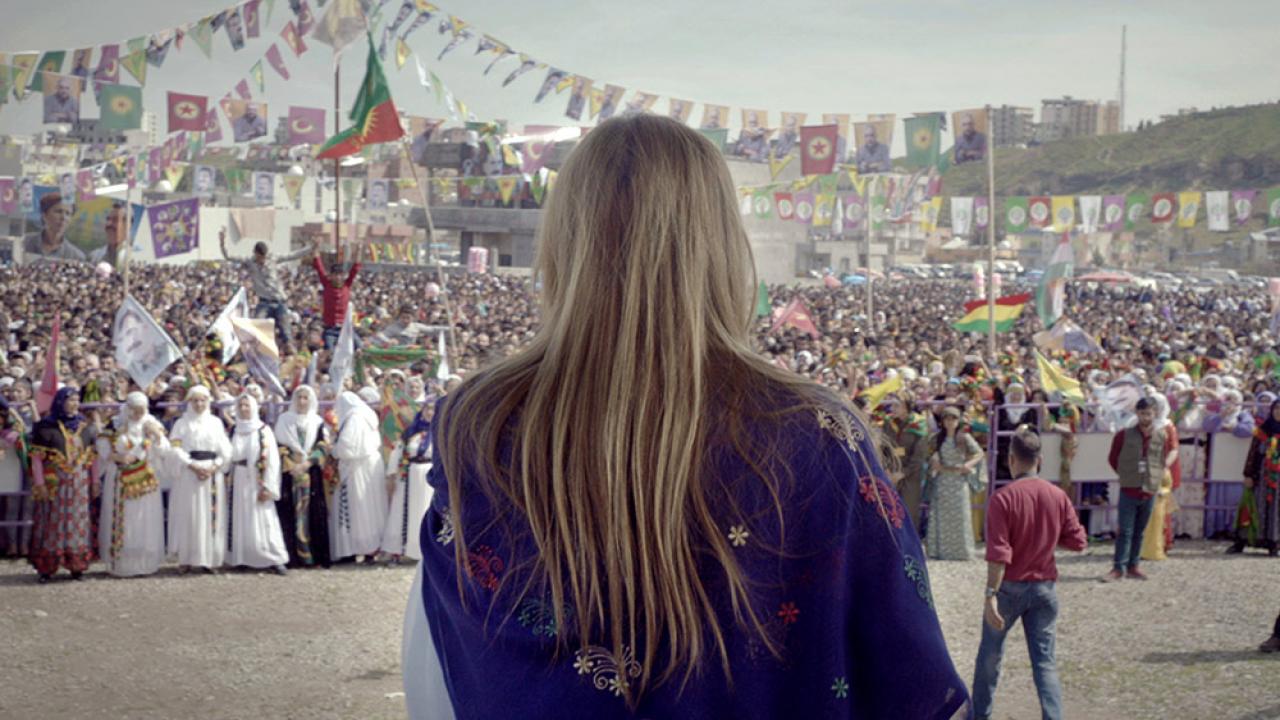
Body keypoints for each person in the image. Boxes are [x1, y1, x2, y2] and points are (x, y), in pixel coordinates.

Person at [403, 115, 970, 718]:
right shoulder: (818, 435)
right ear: (721, 243)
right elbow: (908, 676)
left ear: (564, 241)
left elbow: (442, 666)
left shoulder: (481, 425)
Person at [972, 428, 1087, 720]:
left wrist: (989, 596)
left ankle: (980, 715)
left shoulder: (1002, 498)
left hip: (1009, 588)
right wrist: (1045, 536)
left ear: (1011, 459)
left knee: (990, 656)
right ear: (1041, 459)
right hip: (1044, 588)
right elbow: (1078, 542)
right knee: (1045, 662)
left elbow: (999, 555)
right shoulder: (1057, 495)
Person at [28, 387, 97, 582]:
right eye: (70, 400)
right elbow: (36, 458)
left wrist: (95, 481)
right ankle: (47, 568)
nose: (75, 404)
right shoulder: (46, 427)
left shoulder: (86, 427)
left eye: (77, 400)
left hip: (79, 484)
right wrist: (40, 483)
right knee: (52, 523)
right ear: (60, 402)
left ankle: (77, 566)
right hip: (55, 483)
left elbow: (93, 458)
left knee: (78, 523)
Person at [96, 392, 167, 577]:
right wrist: (118, 457)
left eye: (141, 409)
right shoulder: (115, 424)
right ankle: (121, 562)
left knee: (145, 518)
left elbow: (164, 449)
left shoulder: (152, 424)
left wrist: (156, 435)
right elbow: (102, 447)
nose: (137, 413)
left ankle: (145, 563)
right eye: (134, 409)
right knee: (123, 518)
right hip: (121, 477)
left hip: (145, 479)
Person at [167, 385, 232, 573]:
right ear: (189, 402)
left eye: (203, 400)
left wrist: (215, 466)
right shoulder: (181, 423)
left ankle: (209, 559)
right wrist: (191, 465)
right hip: (189, 473)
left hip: (211, 473)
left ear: (208, 401)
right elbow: (175, 447)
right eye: (195, 400)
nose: (199, 404)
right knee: (189, 515)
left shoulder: (216, 423)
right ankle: (186, 559)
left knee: (210, 516)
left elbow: (226, 449)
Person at [218, 228, 312, 354]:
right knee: (257, 325)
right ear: (255, 254)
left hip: (279, 301)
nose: (262, 259)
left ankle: (291, 351)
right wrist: (222, 243)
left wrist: (312, 247)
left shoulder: (273, 259)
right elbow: (228, 256)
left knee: (286, 331)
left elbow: (293, 255)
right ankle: (258, 351)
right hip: (264, 303)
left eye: (264, 256)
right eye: (260, 256)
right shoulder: (250, 262)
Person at [225, 394, 289, 574]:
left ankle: (274, 558)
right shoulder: (233, 431)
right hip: (238, 479)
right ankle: (242, 557)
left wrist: (269, 486)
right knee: (240, 518)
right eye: (241, 405)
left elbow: (273, 461)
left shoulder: (263, 430)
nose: (244, 409)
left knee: (263, 517)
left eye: (247, 405)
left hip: (257, 480)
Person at [1104, 397, 1164, 581]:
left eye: (1149, 413)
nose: (1146, 417)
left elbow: (1160, 460)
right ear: (1137, 413)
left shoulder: (1161, 435)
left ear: (1155, 414)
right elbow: (1113, 458)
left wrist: (1153, 478)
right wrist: (1127, 474)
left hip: (1149, 489)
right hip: (1129, 488)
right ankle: (1118, 568)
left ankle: (1133, 566)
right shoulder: (1123, 434)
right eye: (1142, 413)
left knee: (1140, 531)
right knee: (1126, 531)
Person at [273, 385, 332, 567]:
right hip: (289, 472)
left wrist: (307, 463)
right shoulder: (284, 420)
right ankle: (293, 556)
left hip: (311, 472)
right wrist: (292, 465)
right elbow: (279, 446)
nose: (302, 402)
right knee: (289, 512)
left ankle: (312, 556)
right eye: (299, 397)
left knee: (311, 513)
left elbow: (322, 446)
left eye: (306, 398)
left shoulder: (317, 422)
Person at [331, 391, 388, 563]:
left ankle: (360, 547)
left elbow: (347, 447)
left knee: (358, 508)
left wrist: (332, 450)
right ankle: (370, 547)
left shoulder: (354, 418)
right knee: (370, 508)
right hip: (369, 465)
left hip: (358, 467)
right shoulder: (366, 415)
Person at [927, 405, 984, 561]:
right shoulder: (937, 438)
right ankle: (940, 550)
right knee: (941, 516)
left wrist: (969, 464)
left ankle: (961, 551)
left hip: (959, 481)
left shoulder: (964, 437)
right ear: (943, 421)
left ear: (958, 421)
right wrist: (934, 462)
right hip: (943, 481)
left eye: (954, 418)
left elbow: (979, 453)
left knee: (960, 516)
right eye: (947, 418)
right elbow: (929, 454)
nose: (950, 421)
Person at [380, 399, 434, 562]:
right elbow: (398, 452)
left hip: (428, 476)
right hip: (408, 476)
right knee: (402, 511)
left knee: (423, 510)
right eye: (427, 409)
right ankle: (398, 549)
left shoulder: (441, 433)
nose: (430, 413)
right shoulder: (411, 432)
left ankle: (421, 551)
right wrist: (392, 473)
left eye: (433, 410)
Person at [1230, 398, 1280, 556]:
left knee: (1276, 511)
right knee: (1253, 507)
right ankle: (1243, 541)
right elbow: (1252, 453)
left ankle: (1274, 543)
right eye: (1276, 408)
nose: (1278, 411)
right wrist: (1248, 474)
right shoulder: (1262, 430)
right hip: (1261, 477)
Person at [880, 393, 929, 533]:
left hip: (910, 475)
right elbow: (884, 448)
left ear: (907, 407)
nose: (892, 408)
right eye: (892, 405)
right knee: (888, 509)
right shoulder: (889, 423)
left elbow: (919, 456)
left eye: (897, 405)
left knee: (908, 510)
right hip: (891, 472)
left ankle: (909, 547)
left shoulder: (919, 424)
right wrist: (888, 470)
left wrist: (902, 474)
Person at [1140, 394, 1180, 561]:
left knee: (1159, 509)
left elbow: (1173, 449)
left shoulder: (1167, 425)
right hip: (1142, 470)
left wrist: (1164, 466)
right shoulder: (1141, 425)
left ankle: (1159, 544)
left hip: (1160, 470)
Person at [313, 244, 363, 350]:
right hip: (330, 329)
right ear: (331, 275)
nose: (338, 277)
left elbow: (356, 268)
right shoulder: (326, 284)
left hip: (345, 328)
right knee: (329, 350)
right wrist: (316, 247)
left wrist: (359, 250)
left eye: (340, 274)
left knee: (360, 346)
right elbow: (318, 266)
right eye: (335, 274)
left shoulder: (347, 285)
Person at [23, 193, 86, 264]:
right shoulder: (23, 243)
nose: (63, 218)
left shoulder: (76, 256)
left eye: (68, 213)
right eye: (59, 211)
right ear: (44, 215)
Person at [88, 202, 128, 271]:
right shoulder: (94, 256)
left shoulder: (131, 258)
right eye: (108, 219)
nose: (109, 224)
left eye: (115, 220)